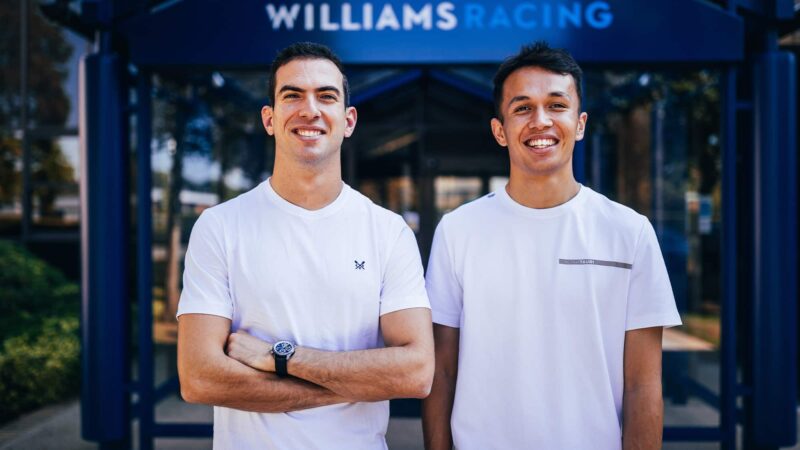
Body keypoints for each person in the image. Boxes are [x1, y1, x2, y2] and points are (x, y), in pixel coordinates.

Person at [421, 41, 682, 450]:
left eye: (556, 105)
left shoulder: (630, 232)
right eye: (522, 108)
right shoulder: (458, 231)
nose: (540, 120)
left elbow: (643, 386)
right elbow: (442, 374)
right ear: (499, 130)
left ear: (579, 124)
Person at [176, 42, 433, 450]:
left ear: (348, 120)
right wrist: (347, 386)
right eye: (292, 95)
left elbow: (416, 372)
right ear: (270, 118)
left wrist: (279, 357)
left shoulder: (388, 231)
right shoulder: (220, 226)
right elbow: (199, 378)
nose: (309, 109)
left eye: (326, 96)